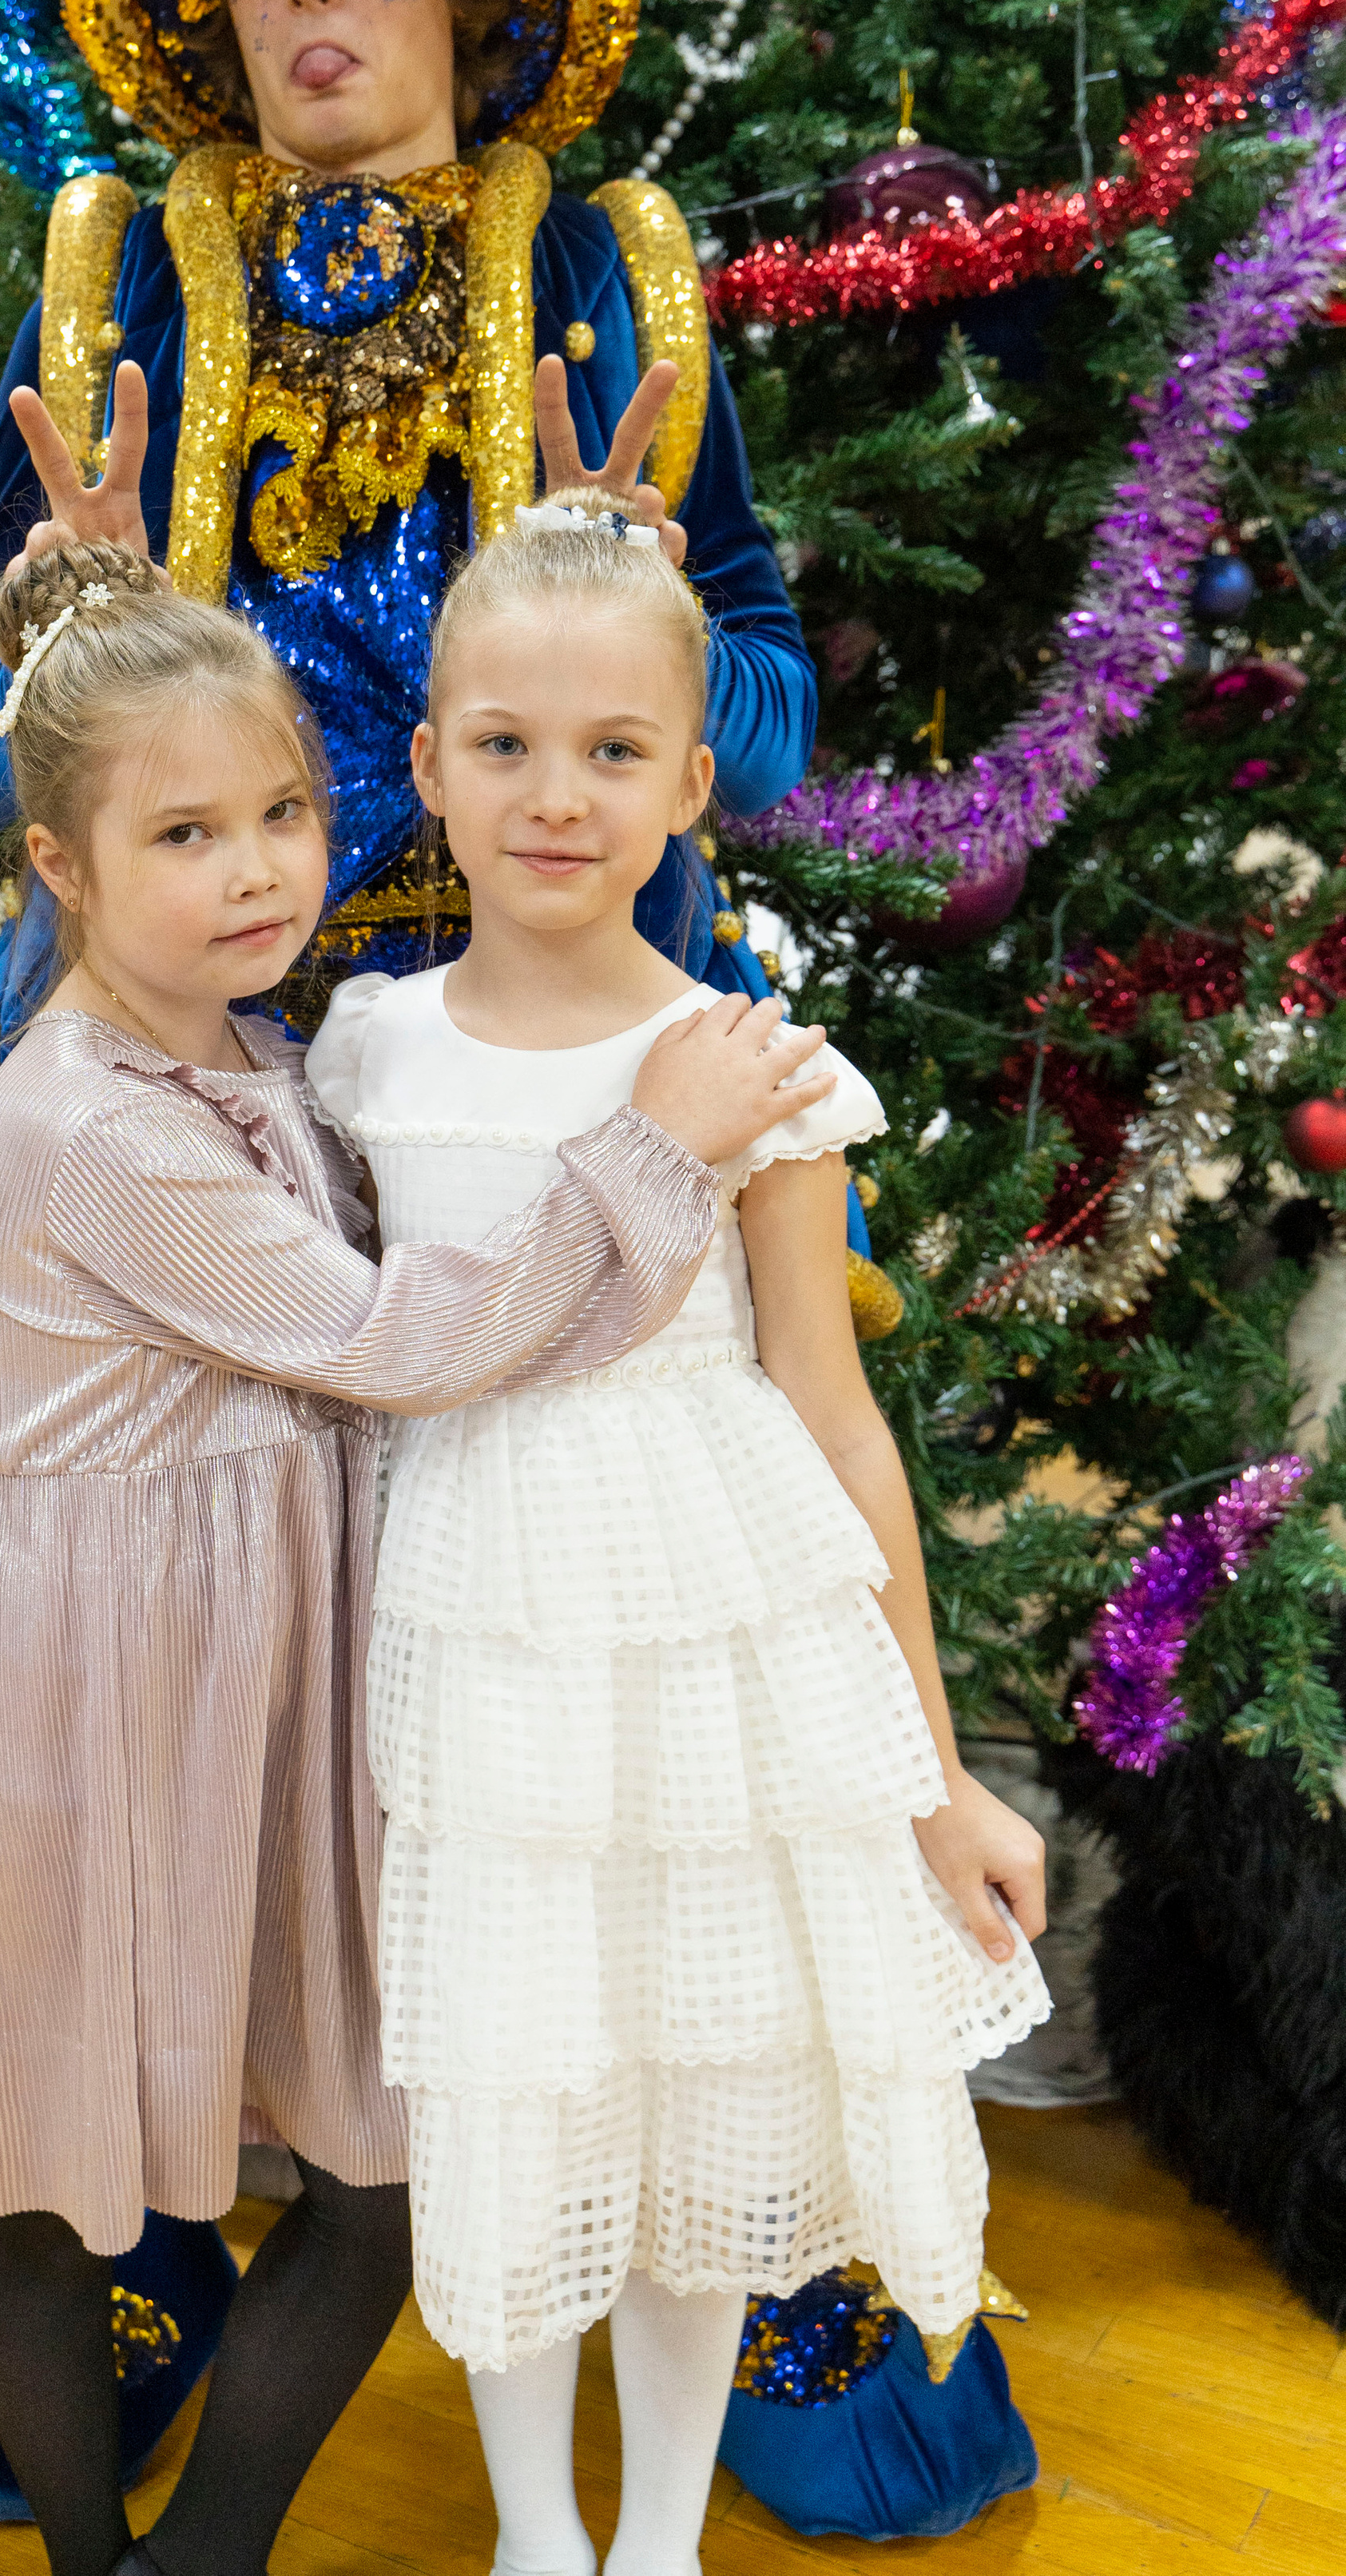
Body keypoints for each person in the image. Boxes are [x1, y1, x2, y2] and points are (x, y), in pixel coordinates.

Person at [0, 535, 838, 2576]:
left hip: (268, 1666)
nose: (253, 871)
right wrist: (651, 1143)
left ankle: (207, 2556)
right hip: (97, 1692)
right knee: (67, 2183)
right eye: (181, 833)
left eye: (280, 816)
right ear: (57, 865)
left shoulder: (254, 1046)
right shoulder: (97, 1125)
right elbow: (403, 1343)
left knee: (370, 2163)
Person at [0, 0, 816, 1338]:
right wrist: (74, 657)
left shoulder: (603, 278)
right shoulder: (116, 289)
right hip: (187, 1083)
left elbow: (754, 739)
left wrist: (645, 635)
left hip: (552, 1059)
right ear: (215, 0)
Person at [307, 512, 1050, 2576]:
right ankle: (537, 2534)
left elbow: (832, 1410)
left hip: (710, 1634)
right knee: (520, 2084)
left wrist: (934, 1773)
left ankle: (655, 2542)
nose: (560, 797)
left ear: (694, 784)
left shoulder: (757, 1073)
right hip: (470, 1638)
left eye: (616, 752)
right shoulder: (370, 1049)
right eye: (509, 745)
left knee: (692, 2083)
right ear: (433, 761)